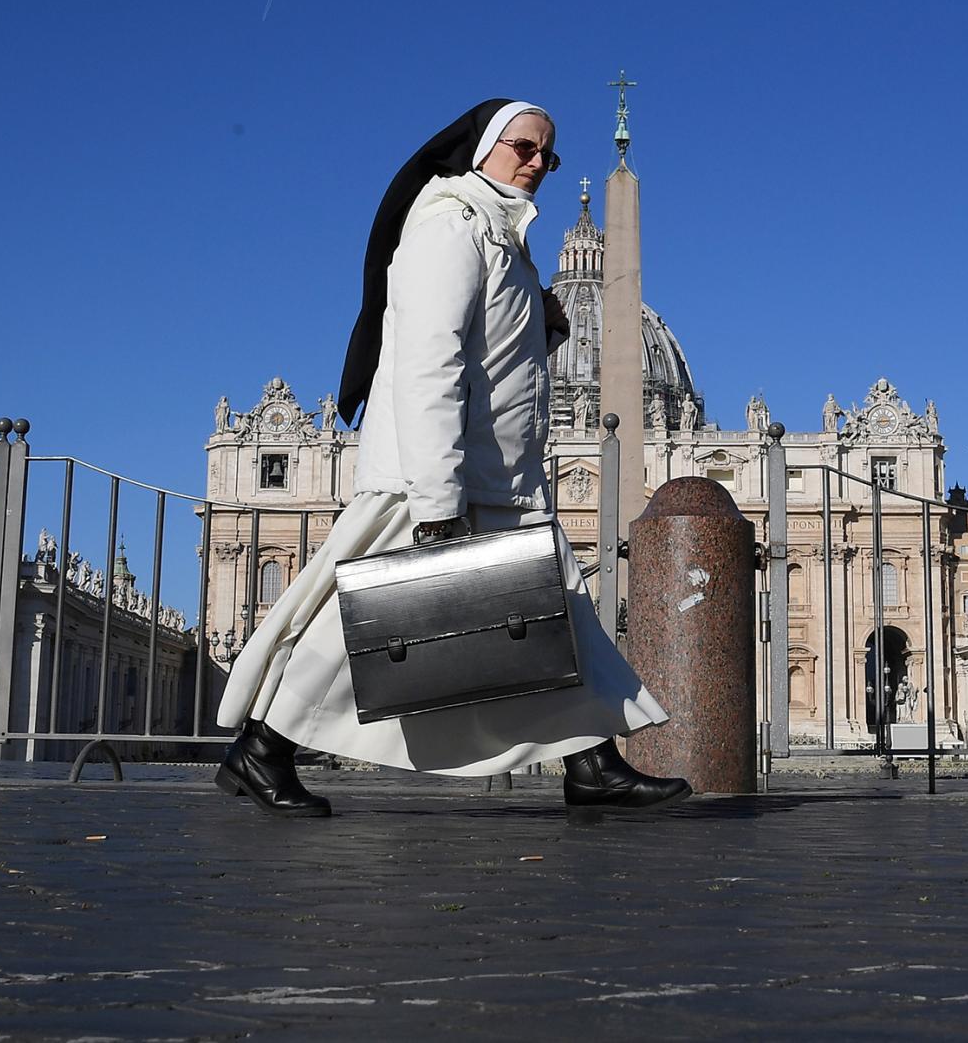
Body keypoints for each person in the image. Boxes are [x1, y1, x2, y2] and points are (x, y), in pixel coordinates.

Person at [213, 99, 689, 818]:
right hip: (440, 475)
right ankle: (263, 747)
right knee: (371, 624)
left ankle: (592, 760)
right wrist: (437, 499)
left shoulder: (503, 239)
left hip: (500, 474)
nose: (536, 164)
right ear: (481, 148)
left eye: (546, 156)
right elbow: (429, 364)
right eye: (523, 149)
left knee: (557, 613)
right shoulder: (449, 226)